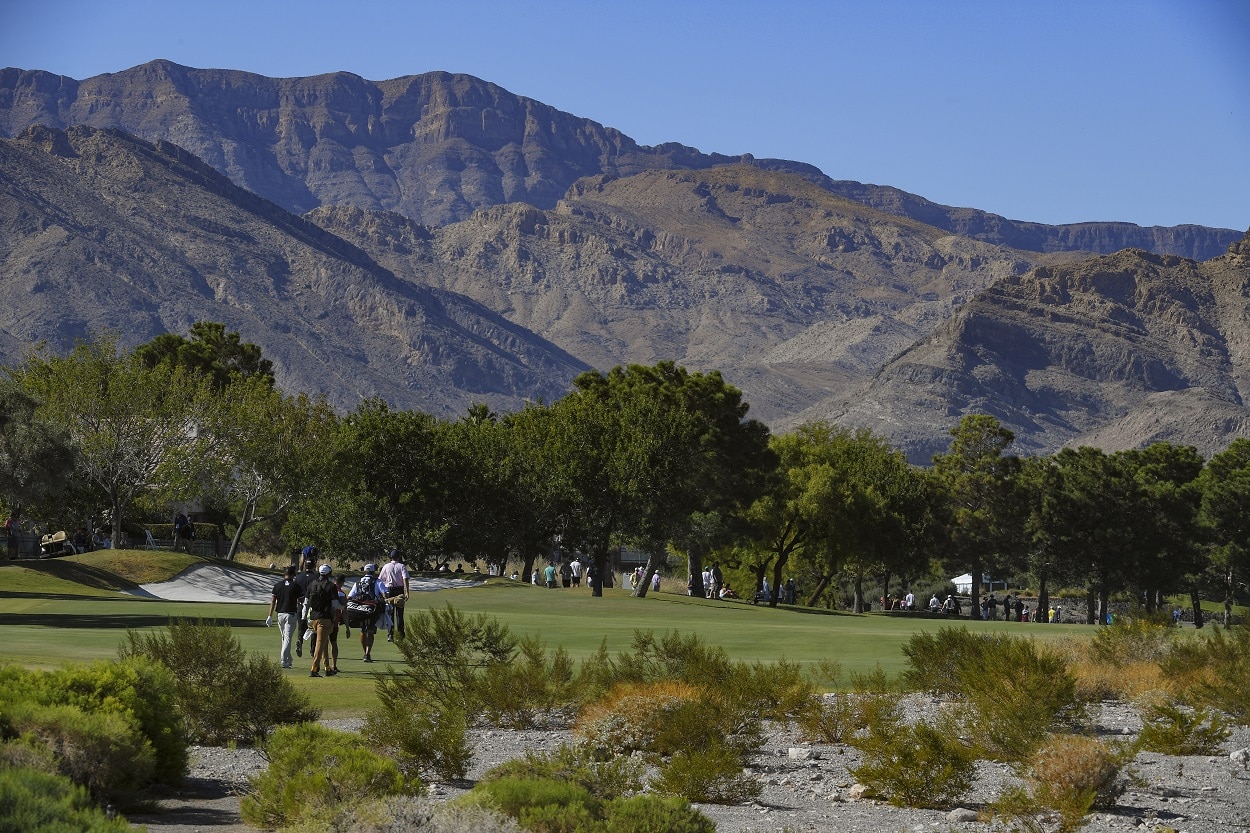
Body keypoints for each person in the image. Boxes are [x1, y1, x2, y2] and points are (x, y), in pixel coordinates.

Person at [265, 565, 301, 669]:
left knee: (284, 638)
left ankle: (288, 660)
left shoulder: (277, 586)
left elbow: (273, 601)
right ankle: (284, 661)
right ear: (293, 575)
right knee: (287, 639)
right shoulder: (296, 586)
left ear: (284, 574)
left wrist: (270, 616)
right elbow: (301, 600)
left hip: (280, 615)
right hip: (291, 615)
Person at [348, 563, 384, 662]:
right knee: (370, 631)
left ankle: (365, 653)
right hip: (371, 610)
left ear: (365, 571)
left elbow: (350, 596)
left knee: (362, 631)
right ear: (373, 572)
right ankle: (367, 654)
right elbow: (385, 593)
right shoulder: (378, 581)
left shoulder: (358, 582)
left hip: (359, 610)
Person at [306, 564, 337, 677]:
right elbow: (335, 604)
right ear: (329, 573)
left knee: (323, 642)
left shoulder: (312, 584)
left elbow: (306, 601)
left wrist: (305, 618)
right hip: (325, 618)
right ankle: (314, 669)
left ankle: (327, 668)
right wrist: (344, 607)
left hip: (313, 617)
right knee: (320, 643)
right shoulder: (331, 586)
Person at [379, 549, 410, 642]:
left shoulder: (386, 566)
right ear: (399, 557)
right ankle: (400, 635)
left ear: (390, 557)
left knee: (390, 614)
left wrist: (382, 592)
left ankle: (390, 635)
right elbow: (405, 579)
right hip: (399, 590)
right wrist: (407, 591)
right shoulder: (402, 566)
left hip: (389, 591)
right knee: (400, 614)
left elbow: (380, 579)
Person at [293, 548, 318, 658]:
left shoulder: (298, 577)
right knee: (313, 629)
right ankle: (313, 651)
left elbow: (294, 592)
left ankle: (299, 640)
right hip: (312, 606)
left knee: (301, 627)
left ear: (305, 566)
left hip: (300, 605)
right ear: (313, 566)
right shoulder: (317, 577)